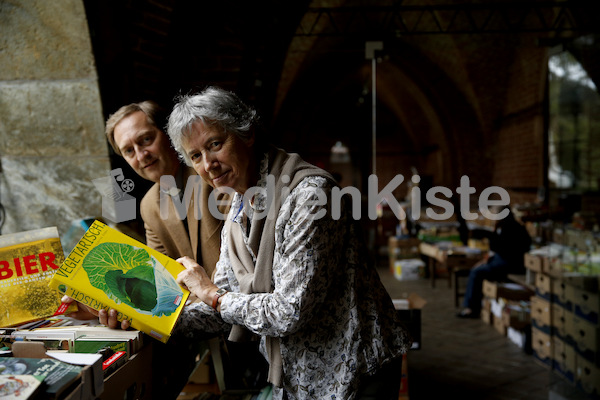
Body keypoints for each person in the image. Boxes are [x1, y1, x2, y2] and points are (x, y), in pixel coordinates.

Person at [164, 86, 411, 399]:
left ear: (247, 134)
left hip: (355, 369)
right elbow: (224, 307)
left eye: (215, 144)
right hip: (301, 377)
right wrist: (147, 319)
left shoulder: (311, 196)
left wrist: (210, 293)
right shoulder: (239, 209)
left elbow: (288, 311)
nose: (208, 164)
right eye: (195, 156)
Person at [66, 101, 232, 399]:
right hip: (208, 332)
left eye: (146, 140)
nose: (141, 155)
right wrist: (101, 303)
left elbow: (238, 271)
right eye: (129, 150)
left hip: (245, 322)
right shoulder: (149, 205)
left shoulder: (213, 174)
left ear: (168, 135)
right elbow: (163, 284)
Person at [457, 206, 532, 318]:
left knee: (476, 273)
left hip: (511, 264)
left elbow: (503, 250)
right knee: (477, 269)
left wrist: (491, 236)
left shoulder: (510, 228)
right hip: (506, 260)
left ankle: (471, 308)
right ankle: (475, 305)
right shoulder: (509, 226)